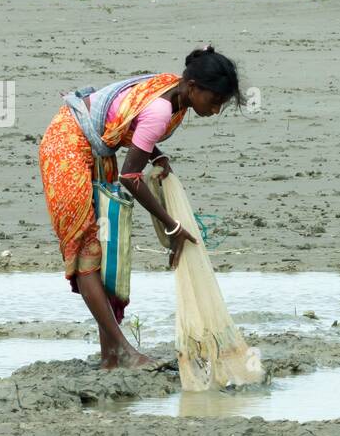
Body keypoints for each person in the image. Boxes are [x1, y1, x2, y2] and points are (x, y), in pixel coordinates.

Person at [38, 46, 241, 368]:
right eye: (214, 101)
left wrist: (156, 154)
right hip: (66, 147)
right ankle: (122, 351)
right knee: (86, 250)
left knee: (105, 252)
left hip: (95, 149)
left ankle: (110, 356)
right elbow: (130, 177)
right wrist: (172, 226)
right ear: (193, 87)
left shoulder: (173, 90)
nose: (215, 110)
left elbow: (132, 124)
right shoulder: (164, 109)